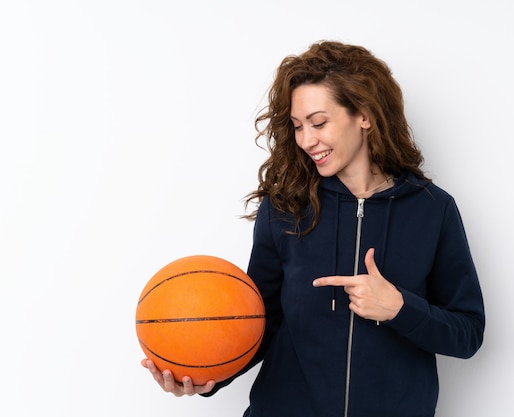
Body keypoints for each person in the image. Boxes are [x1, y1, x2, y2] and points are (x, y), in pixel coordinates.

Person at [142, 40, 485, 417]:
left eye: (319, 123)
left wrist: (398, 307)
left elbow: (467, 333)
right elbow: (258, 322)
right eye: (297, 126)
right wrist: (207, 374)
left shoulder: (432, 209)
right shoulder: (285, 208)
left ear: (365, 115)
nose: (307, 140)